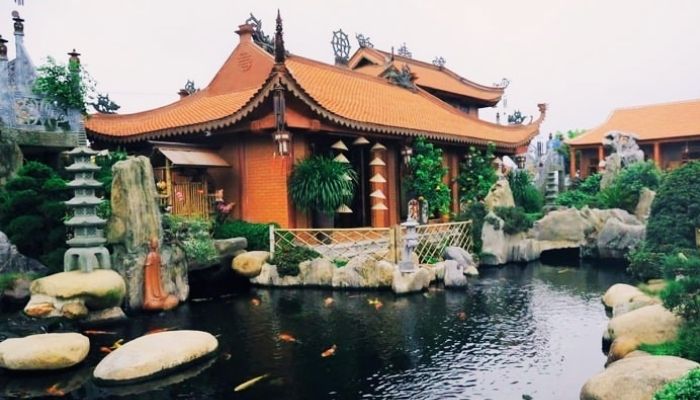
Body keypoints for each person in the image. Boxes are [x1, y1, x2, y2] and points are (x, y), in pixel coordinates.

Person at [143, 237, 179, 311]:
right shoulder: (150, 256)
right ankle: (161, 304)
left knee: (174, 299)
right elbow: (148, 279)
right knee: (150, 304)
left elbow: (158, 277)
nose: (155, 244)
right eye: (154, 243)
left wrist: (161, 293)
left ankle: (162, 304)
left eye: (156, 243)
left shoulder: (157, 256)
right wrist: (150, 295)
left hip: (159, 293)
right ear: (150, 244)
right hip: (151, 296)